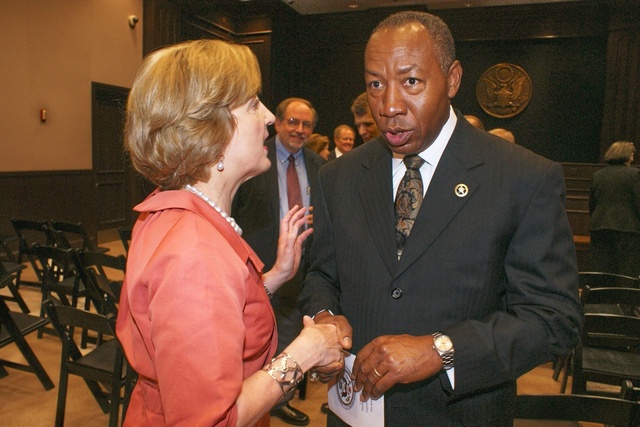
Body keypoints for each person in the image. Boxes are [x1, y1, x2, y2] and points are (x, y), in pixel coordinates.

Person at [299, 11, 582, 427]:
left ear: (452, 79)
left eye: (410, 82)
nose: (390, 105)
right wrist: (324, 323)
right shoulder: (338, 177)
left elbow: (553, 319)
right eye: (376, 84)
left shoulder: (523, 177)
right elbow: (322, 276)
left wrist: (441, 349)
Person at [116, 40, 343, 427]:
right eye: (254, 104)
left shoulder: (175, 211)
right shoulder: (195, 251)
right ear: (212, 129)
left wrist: (275, 276)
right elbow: (212, 420)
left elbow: (211, 317)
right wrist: (305, 352)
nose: (270, 117)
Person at [232, 97, 326, 426]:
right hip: (259, 264)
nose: (299, 130)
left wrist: (320, 218)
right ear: (279, 122)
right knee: (256, 335)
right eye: (293, 122)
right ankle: (252, 399)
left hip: (304, 265)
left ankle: (275, 400)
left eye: (307, 125)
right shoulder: (254, 156)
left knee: (287, 333)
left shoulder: (320, 165)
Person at [589, 141, 640, 277]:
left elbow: (592, 204)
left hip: (599, 227)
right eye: (632, 155)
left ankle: (599, 297)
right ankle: (623, 298)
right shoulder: (635, 175)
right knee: (625, 272)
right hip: (626, 228)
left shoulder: (598, 175)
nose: (633, 159)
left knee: (601, 270)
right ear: (627, 156)